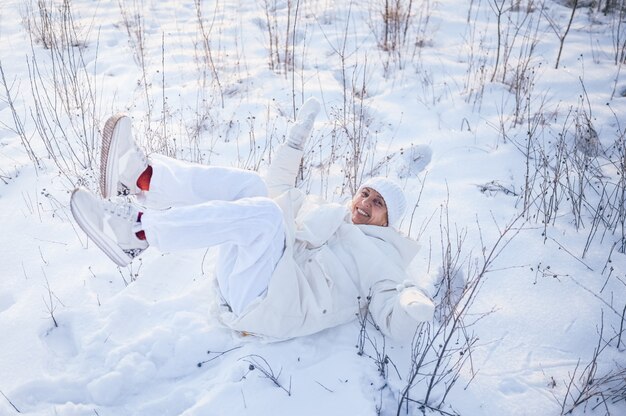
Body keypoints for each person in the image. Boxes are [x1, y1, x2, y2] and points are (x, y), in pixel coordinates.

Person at [70, 98, 434, 341]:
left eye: (378, 202)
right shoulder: (329, 214)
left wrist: (411, 308)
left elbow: (391, 315)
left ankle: (137, 230)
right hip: (253, 281)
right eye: (366, 193)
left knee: (266, 215)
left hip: (276, 305)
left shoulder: (386, 262)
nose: (366, 202)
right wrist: (294, 145)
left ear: (388, 221)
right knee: (253, 186)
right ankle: (141, 177)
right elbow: (274, 190)